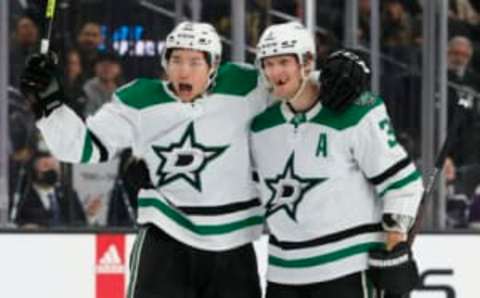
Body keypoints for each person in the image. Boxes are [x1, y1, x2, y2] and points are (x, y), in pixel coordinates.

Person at [19, 20, 358, 297]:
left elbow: (295, 85)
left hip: (232, 246)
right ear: (165, 62)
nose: (184, 70)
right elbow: (82, 147)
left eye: (195, 61)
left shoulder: (245, 86)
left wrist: (339, 71)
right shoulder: (139, 100)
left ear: (213, 66)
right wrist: (50, 108)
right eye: (176, 59)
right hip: (167, 240)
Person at [250, 22, 424, 297]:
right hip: (283, 272)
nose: (275, 72)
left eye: (284, 61)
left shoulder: (354, 112)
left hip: (346, 267)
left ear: (307, 62)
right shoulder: (260, 126)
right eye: (268, 64)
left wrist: (395, 241)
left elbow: (403, 182)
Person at [15, 151, 87, 228]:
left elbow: (80, 222)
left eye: (54, 165)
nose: (52, 169)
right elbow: (16, 221)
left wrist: (89, 215)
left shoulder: (68, 193)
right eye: (46, 165)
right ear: (34, 169)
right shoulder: (23, 195)